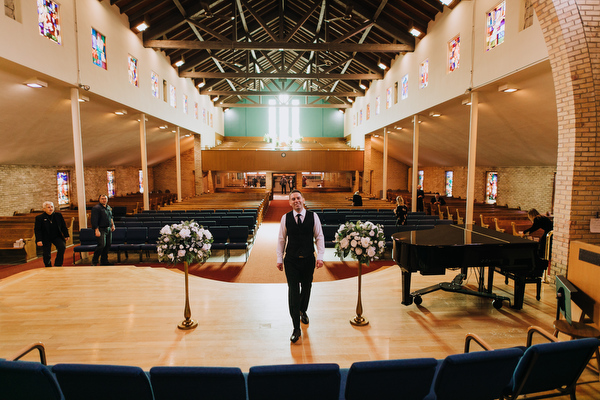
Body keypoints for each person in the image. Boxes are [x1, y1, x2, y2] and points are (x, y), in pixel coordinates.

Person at [276, 190, 325, 344]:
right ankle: (296, 328)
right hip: (291, 260)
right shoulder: (285, 218)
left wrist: (321, 256)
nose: (296, 201)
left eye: (298, 198)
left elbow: (319, 236)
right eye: (293, 199)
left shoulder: (313, 216)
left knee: (307, 287)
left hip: (308, 259)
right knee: (293, 291)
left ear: (303, 200)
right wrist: (279, 258)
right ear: (290, 202)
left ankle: (302, 310)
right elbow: (281, 239)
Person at [34, 201, 70, 268]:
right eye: (48, 207)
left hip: (56, 236)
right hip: (45, 237)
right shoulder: (39, 218)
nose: (50, 208)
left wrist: (66, 235)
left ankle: (58, 264)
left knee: (62, 246)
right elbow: (37, 230)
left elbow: (63, 226)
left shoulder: (58, 215)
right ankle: (48, 265)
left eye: (52, 207)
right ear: (44, 209)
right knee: (46, 253)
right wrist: (39, 240)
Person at [91, 194, 115, 266]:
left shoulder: (108, 207)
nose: (104, 200)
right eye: (102, 199)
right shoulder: (96, 208)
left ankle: (104, 261)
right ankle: (94, 261)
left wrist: (112, 225)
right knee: (101, 245)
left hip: (108, 229)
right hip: (101, 229)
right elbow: (94, 220)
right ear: (99, 200)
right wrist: (96, 229)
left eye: (105, 198)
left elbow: (110, 217)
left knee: (107, 245)